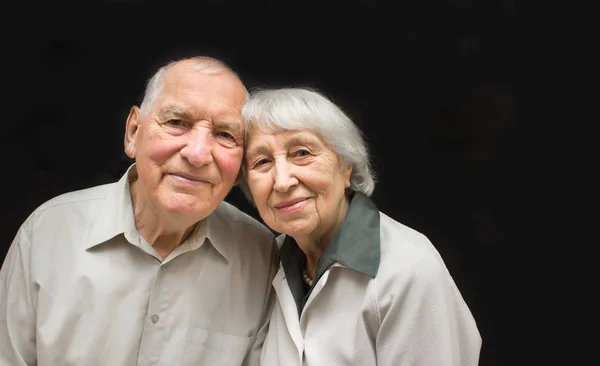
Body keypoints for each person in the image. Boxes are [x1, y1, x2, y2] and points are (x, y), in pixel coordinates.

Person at [0, 56, 278, 366]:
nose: (198, 154)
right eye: (176, 123)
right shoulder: (48, 231)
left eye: (225, 134)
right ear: (133, 132)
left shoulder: (260, 255)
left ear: (240, 166)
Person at [240, 87, 482, 365]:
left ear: (346, 167)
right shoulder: (267, 261)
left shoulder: (407, 269)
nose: (282, 181)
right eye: (262, 162)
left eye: (302, 153)